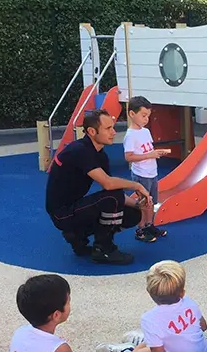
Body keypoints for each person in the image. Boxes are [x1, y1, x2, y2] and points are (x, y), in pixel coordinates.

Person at [45, 109, 153, 265]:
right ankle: (104, 249)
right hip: (61, 214)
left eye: (113, 127)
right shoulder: (80, 151)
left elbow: (112, 187)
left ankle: (77, 235)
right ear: (91, 131)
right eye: (108, 128)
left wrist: (139, 205)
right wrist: (137, 185)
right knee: (112, 198)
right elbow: (108, 184)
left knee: (133, 213)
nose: (114, 132)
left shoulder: (99, 154)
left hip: (73, 208)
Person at [123, 96, 172, 243]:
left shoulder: (145, 131)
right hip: (141, 174)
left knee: (151, 202)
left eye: (148, 116)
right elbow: (129, 157)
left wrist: (156, 153)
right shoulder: (130, 135)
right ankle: (141, 229)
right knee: (144, 202)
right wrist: (150, 155)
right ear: (132, 114)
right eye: (143, 115)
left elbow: (147, 150)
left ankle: (150, 226)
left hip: (152, 172)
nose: (146, 119)